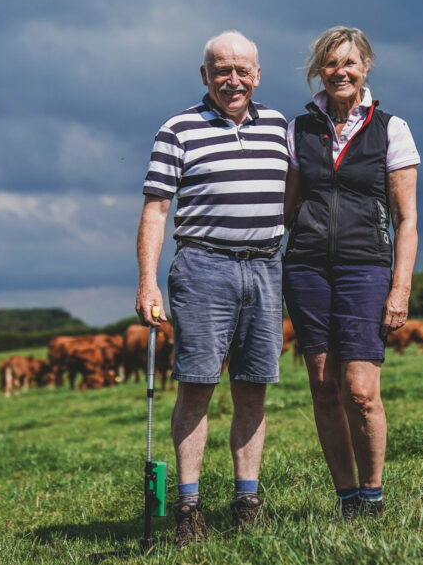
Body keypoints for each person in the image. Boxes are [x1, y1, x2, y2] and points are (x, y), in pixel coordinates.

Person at [135, 30, 288, 546]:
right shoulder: (177, 129)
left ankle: (247, 500)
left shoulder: (279, 126)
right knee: (197, 386)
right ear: (205, 76)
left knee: (253, 386)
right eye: (221, 69)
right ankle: (189, 508)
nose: (233, 79)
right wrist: (147, 282)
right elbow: (156, 210)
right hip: (204, 268)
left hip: (267, 267)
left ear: (258, 75)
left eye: (243, 69)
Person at [283, 26, 419, 519]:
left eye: (350, 63)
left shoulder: (391, 129)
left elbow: (406, 220)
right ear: (319, 70)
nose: (341, 72)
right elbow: (284, 209)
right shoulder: (297, 131)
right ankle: (347, 500)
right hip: (306, 269)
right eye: (331, 63)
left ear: (366, 68)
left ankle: (374, 494)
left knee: (360, 390)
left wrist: (399, 288)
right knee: (323, 386)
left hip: (366, 268)